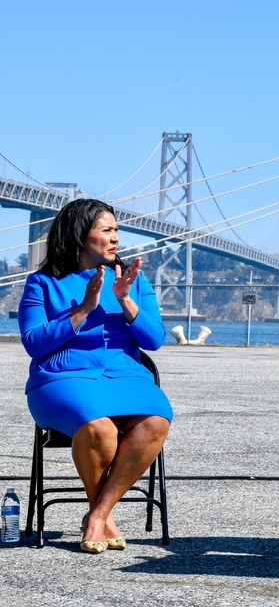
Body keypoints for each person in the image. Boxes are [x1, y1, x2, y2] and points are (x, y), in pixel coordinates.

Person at [19, 199, 171, 554]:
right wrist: (84, 309)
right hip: (61, 377)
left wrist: (125, 300)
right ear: (79, 235)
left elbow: (155, 340)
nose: (116, 237)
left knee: (157, 421)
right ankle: (103, 516)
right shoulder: (41, 283)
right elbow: (34, 344)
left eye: (117, 230)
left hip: (125, 375)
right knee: (98, 426)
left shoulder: (134, 279)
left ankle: (98, 514)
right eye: (107, 230)